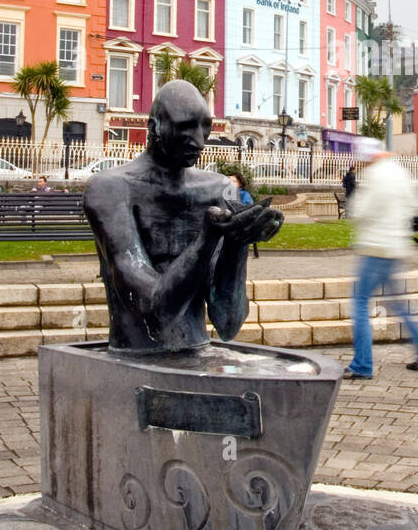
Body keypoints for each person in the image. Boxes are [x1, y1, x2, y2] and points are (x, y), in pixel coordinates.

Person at [84, 81, 282, 353]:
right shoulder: (111, 189)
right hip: (136, 353)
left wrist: (237, 243)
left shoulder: (218, 189)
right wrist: (208, 237)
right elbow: (154, 312)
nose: (200, 141)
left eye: (205, 126)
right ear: (154, 126)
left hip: (197, 349)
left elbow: (228, 324)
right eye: (186, 126)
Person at [346, 140, 418, 379]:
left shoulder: (375, 176)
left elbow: (361, 211)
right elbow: (415, 206)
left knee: (359, 302)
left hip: (376, 247)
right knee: (399, 304)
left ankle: (362, 364)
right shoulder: (399, 171)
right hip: (396, 246)